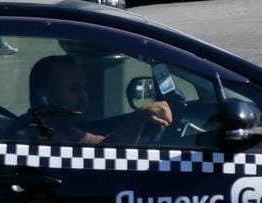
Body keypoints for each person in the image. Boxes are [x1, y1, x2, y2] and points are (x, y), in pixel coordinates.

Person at [20, 54, 173, 145]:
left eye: (83, 88)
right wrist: (139, 117)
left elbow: (103, 147)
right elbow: (109, 154)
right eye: (74, 89)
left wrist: (140, 119)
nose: (83, 96)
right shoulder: (35, 133)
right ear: (44, 98)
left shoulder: (62, 128)